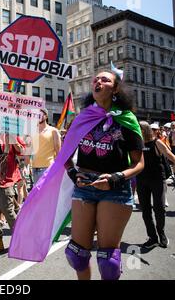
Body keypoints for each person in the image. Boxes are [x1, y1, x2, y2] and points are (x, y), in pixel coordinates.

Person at [64, 70, 144, 280]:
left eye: (105, 80)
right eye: (96, 79)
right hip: (84, 187)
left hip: (115, 189)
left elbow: (138, 164)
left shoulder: (127, 119)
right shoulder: (83, 117)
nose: (98, 81)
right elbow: (65, 154)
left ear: (115, 89)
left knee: (108, 261)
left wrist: (115, 178)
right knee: (76, 254)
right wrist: (73, 174)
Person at [137, 122, 175, 249]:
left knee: (159, 209)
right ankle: (152, 237)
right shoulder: (137, 143)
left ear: (146, 130)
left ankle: (162, 234)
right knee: (145, 211)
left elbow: (172, 156)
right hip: (141, 180)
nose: (138, 130)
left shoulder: (157, 142)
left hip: (157, 180)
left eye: (140, 128)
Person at [31, 108, 62, 184]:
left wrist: (57, 169)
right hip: (34, 169)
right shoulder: (32, 131)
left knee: (47, 194)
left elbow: (58, 152)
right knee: (38, 195)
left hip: (47, 168)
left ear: (46, 116)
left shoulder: (53, 131)